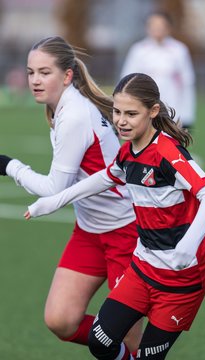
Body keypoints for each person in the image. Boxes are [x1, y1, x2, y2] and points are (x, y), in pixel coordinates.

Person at [23, 73, 205, 360]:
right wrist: (53, 201)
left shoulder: (167, 153)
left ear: (153, 112)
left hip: (181, 280)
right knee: (100, 340)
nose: (121, 121)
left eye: (131, 114)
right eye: (117, 112)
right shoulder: (128, 152)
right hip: (142, 270)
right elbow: (104, 177)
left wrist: (187, 246)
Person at [0, 37, 143, 353]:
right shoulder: (61, 107)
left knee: (134, 341)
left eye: (45, 72)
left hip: (126, 232)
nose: (35, 80)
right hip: (90, 232)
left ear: (66, 76)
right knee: (60, 319)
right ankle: (117, 350)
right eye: (31, 72)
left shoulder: (75, 112)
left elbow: (55, 190)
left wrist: (10, 166)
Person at [121, 11, 196, 130]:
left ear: (168, 28)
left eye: (161, 26)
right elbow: (128, 80)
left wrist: (186, 115)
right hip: (145, 109)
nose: (157, 29)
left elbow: (187, 83)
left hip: (173, 109)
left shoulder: (179, 50)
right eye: (153, 26)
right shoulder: (139, 50)